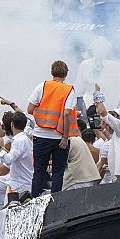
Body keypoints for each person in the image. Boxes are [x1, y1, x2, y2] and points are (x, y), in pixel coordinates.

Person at [23, 61, 79, 197]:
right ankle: (56, 201)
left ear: (52, 72)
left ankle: (35, 200)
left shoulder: (42, 86)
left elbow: (30, 109)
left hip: (40, 135)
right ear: (65, 74)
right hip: (59, 137)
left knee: (39, 171)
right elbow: (66, 113)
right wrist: (65, 137)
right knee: (58, 171)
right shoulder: (68, 90)